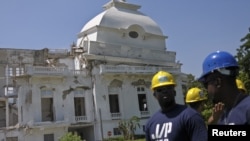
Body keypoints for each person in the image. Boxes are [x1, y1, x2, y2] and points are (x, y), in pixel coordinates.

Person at [145, 71, 208, 141]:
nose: (164, 91)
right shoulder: (150, 123)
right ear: (154, 95)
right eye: (160, 90)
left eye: (168, 88)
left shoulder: (190, 116)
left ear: (174, 92)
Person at [198, 50, 250, 125]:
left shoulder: (247, 108)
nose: (206, 90)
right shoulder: (221, 114)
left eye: (206, 84)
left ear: (217, 82)